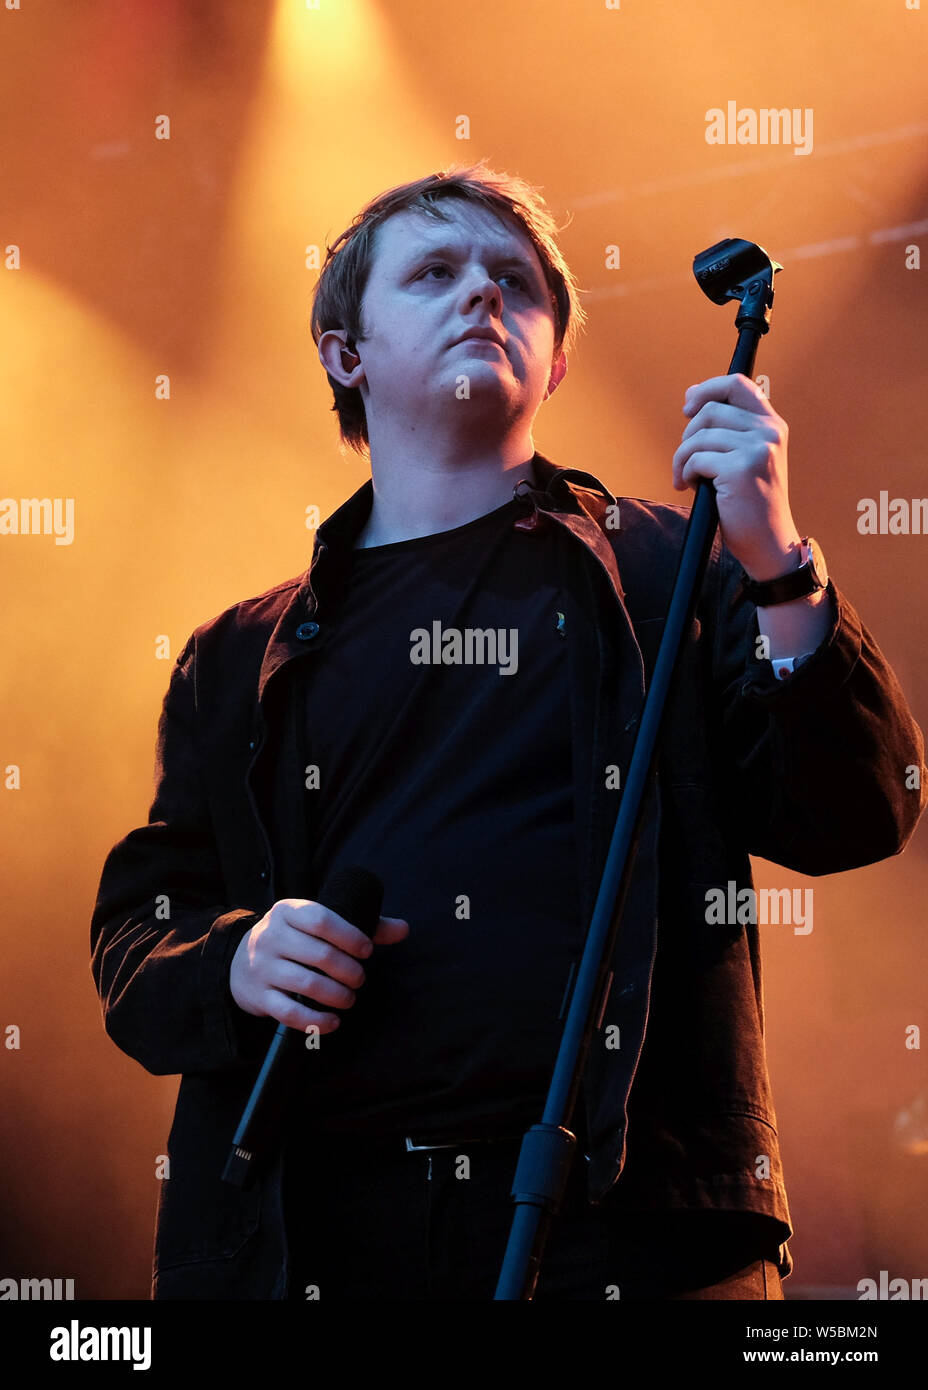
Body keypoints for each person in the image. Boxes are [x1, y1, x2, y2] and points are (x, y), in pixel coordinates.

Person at [90, 161, 926, 1301]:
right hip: (322, 1240)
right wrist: (235, 956)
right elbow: (139, 932)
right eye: (435, 272)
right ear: (345, 353)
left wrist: (778, 563)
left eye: (516, 283)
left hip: (633, 1233)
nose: (483, 294)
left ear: (559, 360)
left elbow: (855, 814)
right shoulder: (239, 654)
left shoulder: (669, 573)